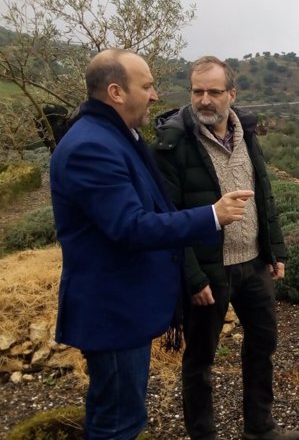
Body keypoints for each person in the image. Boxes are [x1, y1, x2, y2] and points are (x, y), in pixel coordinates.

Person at [50, 49, 255, 440]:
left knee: (123, 415)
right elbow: (131, 226)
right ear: (115, 92)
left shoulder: (115, 136)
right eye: (146, 86)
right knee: (118, 424)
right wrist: (212, 215)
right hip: (113, 312)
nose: (156, 95)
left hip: (125, 309)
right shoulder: (91, 148)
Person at [152, 56, 299, 440]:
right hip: (207, 271)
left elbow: (264, 195)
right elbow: (167, 217)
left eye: (214, 92)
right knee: (200, 360)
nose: (205, 100)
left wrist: (275, 250)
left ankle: (260, 427)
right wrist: (192, 276)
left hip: (253, 265)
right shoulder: (173, 143)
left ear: (231, 94)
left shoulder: (246, 131)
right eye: (197, 91)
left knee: (262, 346)